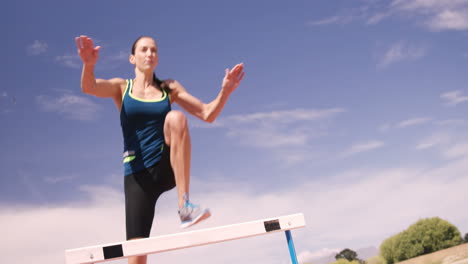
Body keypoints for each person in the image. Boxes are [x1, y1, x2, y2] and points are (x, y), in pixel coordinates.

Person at [75, 35, 245, 264]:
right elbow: (89, 87)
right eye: (144, 50)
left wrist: (225, 91)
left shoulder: (168, 87)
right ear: (132, 58)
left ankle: (184, 205)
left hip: (165, 166)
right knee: (136, 257)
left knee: (176, 118)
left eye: (154, 50)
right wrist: (88, 64)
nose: (150, 54)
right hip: (137, 176)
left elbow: (207, 113)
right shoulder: (121, 87)